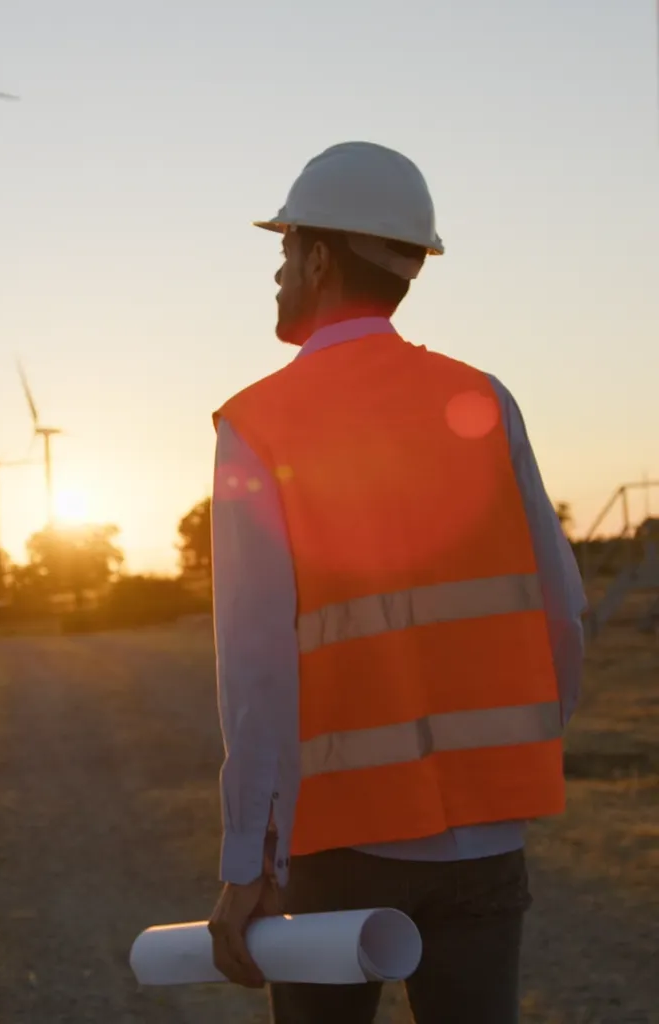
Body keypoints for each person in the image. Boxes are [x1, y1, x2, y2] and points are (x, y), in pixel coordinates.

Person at [205, 141, 587, 1024]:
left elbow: (257, 672)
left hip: (340, 848)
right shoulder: (484, 401)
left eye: (283, 251)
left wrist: (245, 868)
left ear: (320, 257)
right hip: (487, 845)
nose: (276, 274)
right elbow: (562, 612)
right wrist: (507, 759)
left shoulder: (259, 423)